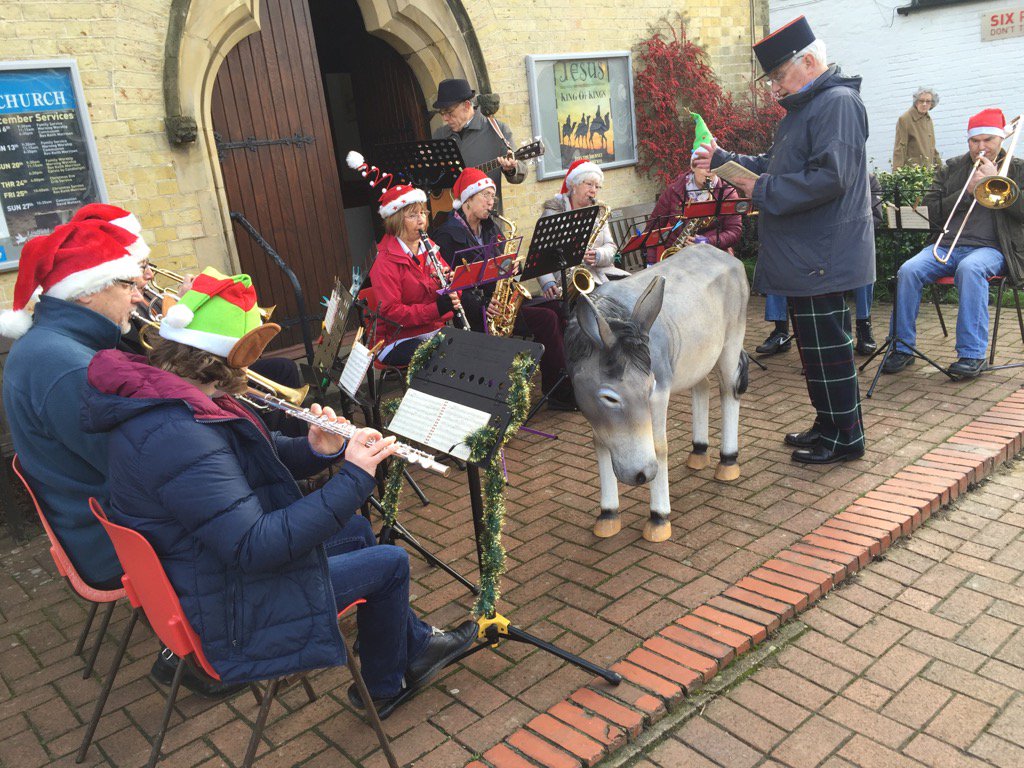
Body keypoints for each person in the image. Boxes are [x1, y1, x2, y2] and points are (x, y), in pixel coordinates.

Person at [80, 267, 477, 711]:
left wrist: (317, 448)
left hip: (206, 568)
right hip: (229, 605)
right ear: (223, 358)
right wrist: (355, 477)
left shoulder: (180, 396)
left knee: (359, 534)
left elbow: (256, 454)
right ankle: (383, 688)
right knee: (390, 562)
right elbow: (256, 544)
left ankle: (406, 646)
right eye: (246, 358)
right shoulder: (177, 432)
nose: (250, 369)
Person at [694, 15, 874, 465]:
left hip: (822, 256)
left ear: (809, 61)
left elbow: (832, 177)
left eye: (777, 75)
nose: (772, 87)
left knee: (829, 349)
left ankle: (846, 437)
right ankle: (828, 423)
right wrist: (724, 160)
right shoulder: (803, 110)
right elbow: (776, 164)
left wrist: (762, 189)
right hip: (805, 255)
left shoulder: (837, 103)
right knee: (814, 352)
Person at [0, 214, 145, 590]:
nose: (138, 295)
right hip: (116, 543)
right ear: (85, 292)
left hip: (99, 522)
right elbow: (141, 470)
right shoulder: (66, 366)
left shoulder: (56, 345)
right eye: (128, 284)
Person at [883, 108, 1024, 380]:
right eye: (974, 141)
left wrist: (999, 181)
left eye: (988, 140)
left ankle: (971, 356)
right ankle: (902, 348)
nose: (980, 147)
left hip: (991, 250)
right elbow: (929, 212)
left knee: (970, 269)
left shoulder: (1018, 169)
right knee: (908, 271)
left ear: (1000, 140)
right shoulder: (952, 168)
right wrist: (967, 191)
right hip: (946, 245)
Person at [431, 168, 575, 409]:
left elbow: (500, 267)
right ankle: (559, 391)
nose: (491, 203)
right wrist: (483, 306)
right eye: (485, 196)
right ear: (467, 200)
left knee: (558, 308)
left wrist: (513, 267)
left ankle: (558, 381)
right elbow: (449, 286)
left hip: (501, 301)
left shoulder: (491, 228)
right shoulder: (446, 235)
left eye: (493, 197)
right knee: (546, 318)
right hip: (477, 312)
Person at [347, 152, 464, 366]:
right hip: (396, 339)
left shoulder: (429, 248)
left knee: (469, 349)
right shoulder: (384, 258)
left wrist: (453, 286)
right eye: (412, 215)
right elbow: (392, 313)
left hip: (432, 329)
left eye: (423, 213)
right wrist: (436, 309)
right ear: (396, 221)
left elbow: (449, 289)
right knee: (437, 359)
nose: (421, 220)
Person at [537, 159, 630, 299]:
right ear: (574, 185)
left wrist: (599, 255)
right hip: (567, 283)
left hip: (602, 274)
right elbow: (539, 253)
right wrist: (547, 282)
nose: (594, 190)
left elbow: (611, 246)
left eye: (597, 187)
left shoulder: (599, 212)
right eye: (589, 184)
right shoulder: (553, 213)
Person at [432, 78, 525, 215]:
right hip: (449, 220)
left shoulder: (497, 130)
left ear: (467, 105)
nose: (445, 118)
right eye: (442, 113)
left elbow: (521, 171)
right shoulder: (440, 134)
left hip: (486, 220)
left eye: (449, 112)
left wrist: (511, 169)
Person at [643, 161, 743, 264]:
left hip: (714, 258)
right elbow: (652, 231)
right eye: (704, 165)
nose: (709, 170)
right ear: (693, 166)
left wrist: (708, 241)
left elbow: (734, 232)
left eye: (713, 165)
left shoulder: (727, 193)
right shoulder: (673, 191)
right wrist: (651, 264)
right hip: (678, 258)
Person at [893, 88, 941, 170]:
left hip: (928, 171)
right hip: (913, 172)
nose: (924, 104)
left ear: (932, 104)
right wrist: (897, 173)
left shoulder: (928, 119)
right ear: (916, 101)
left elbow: (932, 147)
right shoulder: (905, 119)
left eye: (928, 101)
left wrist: (939, 167)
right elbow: (900, 149)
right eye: (921, 101)